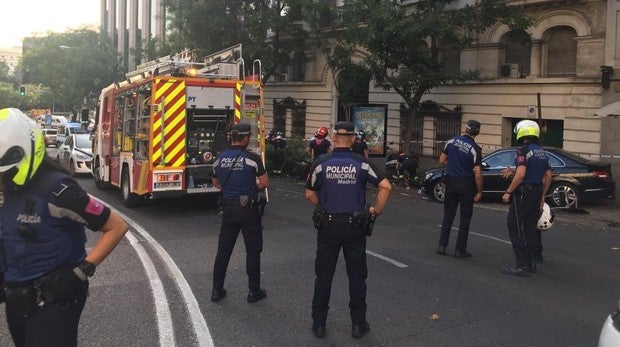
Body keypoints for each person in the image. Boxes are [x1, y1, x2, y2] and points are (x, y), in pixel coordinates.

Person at [0, 108, 128, 346]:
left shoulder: (60, 191)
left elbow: (116, 226)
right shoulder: (9, 191)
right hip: (16, 296)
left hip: (55, 299)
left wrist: (81, 271)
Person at [305, 121, 392, 339]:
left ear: (334, 138)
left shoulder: (321, 162)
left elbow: (309, 193)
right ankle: (358, 324)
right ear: (353, 139)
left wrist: (322, 207)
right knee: (356, 276)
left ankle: (318, 325)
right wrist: (376, 211)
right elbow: (385, 186)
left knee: (323, 275)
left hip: (328, 225)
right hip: (355, 227)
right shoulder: (362, 163)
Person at [211, 122, 270, 303]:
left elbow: (215, 182)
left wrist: (229, 189)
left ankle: (217, 289)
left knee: (224, 251)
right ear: (245, 138)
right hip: (248, 208)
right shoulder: (252, 158)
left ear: (232, 137)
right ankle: (254, 291)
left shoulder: (219, 158)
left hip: (228, 208)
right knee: (252, 251)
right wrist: (252, 186)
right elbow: (264, 183)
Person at [500, 120, 552, 276]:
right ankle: (531, 263)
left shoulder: (523, 150)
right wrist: (542, 194)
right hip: (536, 192)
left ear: (522, 132)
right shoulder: (542, 152)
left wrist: (508, 191)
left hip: (523, 193)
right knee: (529, 228)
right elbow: (548, 175)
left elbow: (521, 174)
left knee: (513, 224)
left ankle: (521, 264)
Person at [436, 119, 483, 258]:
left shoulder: (451, 141)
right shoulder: (475, 149)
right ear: (477, 132)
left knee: (448, 215)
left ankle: (442, 246)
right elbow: (478, 174)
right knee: (465, 217)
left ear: (466, 129)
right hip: (466, 184)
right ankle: (460, 249)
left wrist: (454, 164)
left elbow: (441, 160)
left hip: (451, 181)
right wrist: (480, 191)